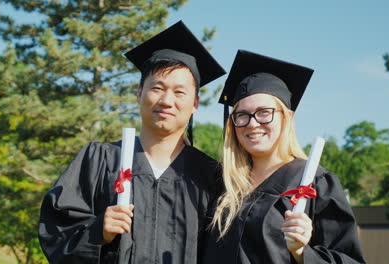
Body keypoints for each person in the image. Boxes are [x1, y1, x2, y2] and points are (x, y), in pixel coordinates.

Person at [38, 21, 226, 264]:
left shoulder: (211, 177)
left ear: (195, 104)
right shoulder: (99, 159)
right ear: (139, 94)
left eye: (180, 92)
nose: (167, 100)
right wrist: (98, 232)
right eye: (157, 88)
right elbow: (55, 232)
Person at [201, 50, 366, 264]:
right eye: (241, 115)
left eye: (264, 112)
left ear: (286, 117)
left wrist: (302, 252)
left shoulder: (314, 184)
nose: (252, 123)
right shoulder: (221, 183)